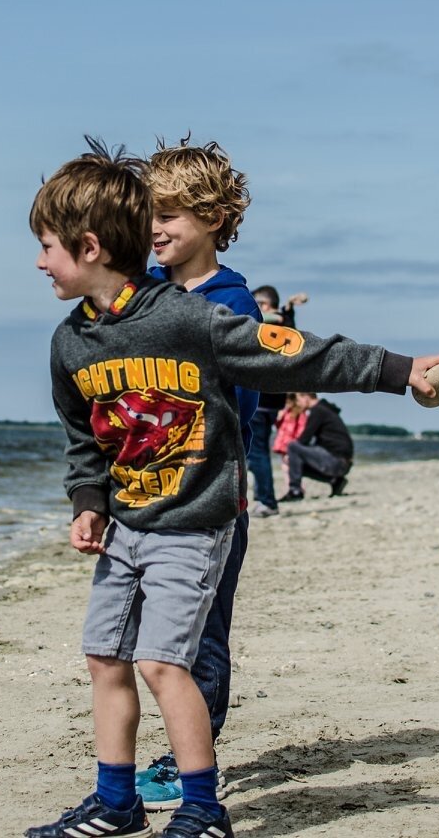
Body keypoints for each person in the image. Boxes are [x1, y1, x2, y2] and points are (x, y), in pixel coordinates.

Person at [27, 139, 439, 838]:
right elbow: (84, 435)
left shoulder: (191, 314)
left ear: (88, 246)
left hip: (198, 515)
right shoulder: (71, 343)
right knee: (106, 655)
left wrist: (400, 368)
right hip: (129, 520)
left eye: (47, 245)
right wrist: (88, 502)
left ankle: (201, 804)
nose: (38, 261)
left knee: (170, 657)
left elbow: (295, 352)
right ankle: (116, 803)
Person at [139, 138, 259, 810]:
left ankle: (192, 764)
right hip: (148, 496)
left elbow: (240, 400)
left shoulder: (232, 302)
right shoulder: (145, 294)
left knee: (202, 632)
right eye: (150, 215)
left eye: (172, 215)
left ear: (214, 218)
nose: (156, 229)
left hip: (211, 496)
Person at [248, 286, 308, 514]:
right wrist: (289, 309)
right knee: (257, 450)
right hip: (274, 399)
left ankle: (266, 500)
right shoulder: (285, 327)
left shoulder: (269, 326)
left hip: (260, 399)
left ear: (263, 306)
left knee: (257, 452)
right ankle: (263, 497)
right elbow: (289, 325)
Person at [282, 393, 354, 499]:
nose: (297, 404)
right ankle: (335, 481)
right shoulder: (325, 409)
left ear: (306, 396)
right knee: (297, 464)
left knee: (293, 446)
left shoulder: (318, 411)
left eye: (298, 400)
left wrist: (289, 455)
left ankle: (295, 490)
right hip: (343, 461)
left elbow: (304, 439)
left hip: (336, 460)